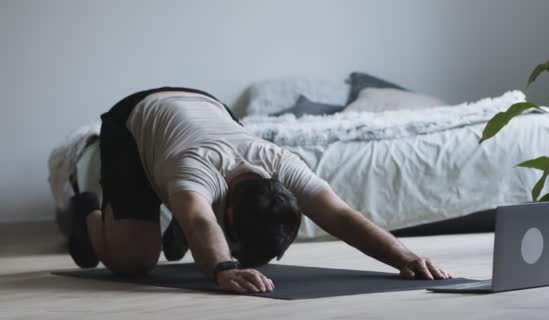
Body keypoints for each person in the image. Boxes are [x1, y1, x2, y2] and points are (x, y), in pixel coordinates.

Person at [68, 87, 451, 294]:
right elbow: (200, 219)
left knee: (201, 217)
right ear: (229, 212)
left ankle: (178, 228)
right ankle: (87, 212)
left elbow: (339, 214)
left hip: (207, 105)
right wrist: (223, 268)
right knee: (132, 264)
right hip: (135, 119)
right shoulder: (196, 167)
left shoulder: (282, 165)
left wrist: (405, 257)